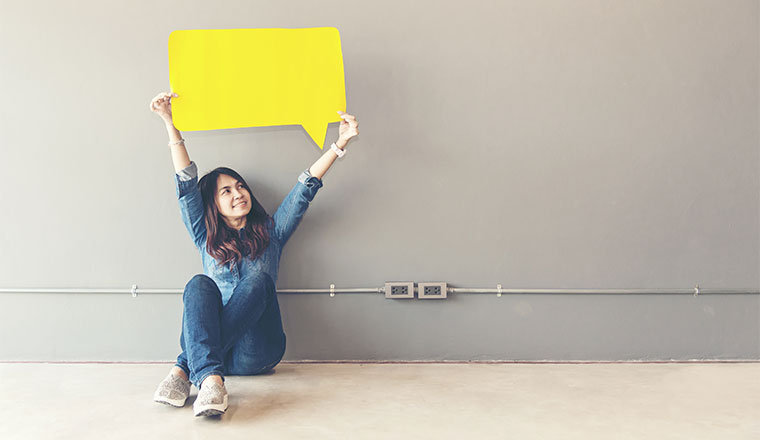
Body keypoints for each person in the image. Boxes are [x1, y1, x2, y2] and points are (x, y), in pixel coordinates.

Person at [148, 91, 359, 417]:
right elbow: (186, 186)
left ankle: (182, 371)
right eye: (227, 191)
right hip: (216, 357)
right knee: (198, 284)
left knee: (258, 281)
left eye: (240, 186)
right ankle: (211, 381)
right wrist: (170, 125)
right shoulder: (205, 237)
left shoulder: (271, 233)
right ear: (213, 205)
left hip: (255, 352)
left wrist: (339, 143)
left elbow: (305, 188)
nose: (238, 193)